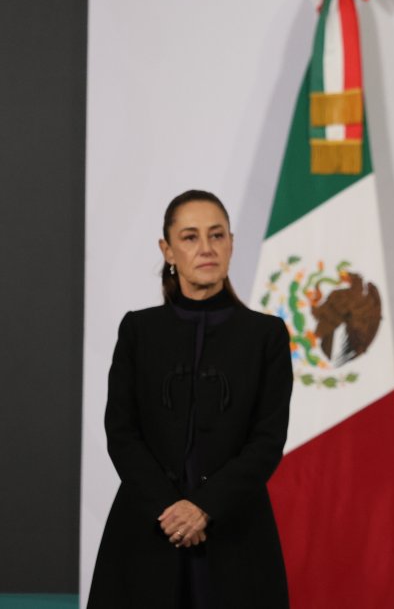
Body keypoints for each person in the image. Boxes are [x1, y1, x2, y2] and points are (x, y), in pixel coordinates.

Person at [88, 190, 292, 608]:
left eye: (217, 235)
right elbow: (121, 432)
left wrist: (204, 507)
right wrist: (170, 509)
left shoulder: (266, 336)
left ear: (231, 243)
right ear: (167, 250)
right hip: (147, 527)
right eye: (190, 237)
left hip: (237, 531)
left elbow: (267, 440)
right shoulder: (138, 331)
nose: (206, 248)